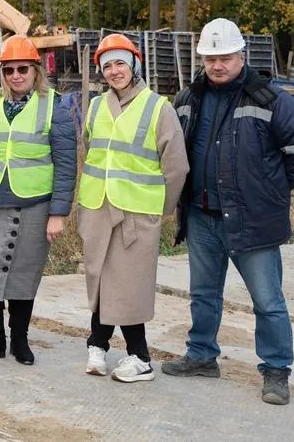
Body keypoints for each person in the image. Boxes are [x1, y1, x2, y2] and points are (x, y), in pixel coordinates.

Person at [161, 18, 294, 406]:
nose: (218, 65)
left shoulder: (271, 99)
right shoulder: (187, 99)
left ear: (242, 56)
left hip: (251, 219)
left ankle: (276, 370)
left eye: (226, 57)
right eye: (211, 58)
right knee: (203, 294)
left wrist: (269, 190)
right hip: (201, 217)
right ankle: (201, 355)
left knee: (267, 299)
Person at [0, 35, 77, 365]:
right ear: (2, 73)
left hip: (34, 201)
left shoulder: (55, 106)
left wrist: (58, 213)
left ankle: (19, 339)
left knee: (24, 271)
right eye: (9, 70)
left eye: (22, 69)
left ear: (36, 71)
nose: (16, 76)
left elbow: (66, 164)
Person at [79, 33, 188, 383]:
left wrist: (161, 208)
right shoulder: (96, 106)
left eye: (120, 63)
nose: (114, 71)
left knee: (128, 284)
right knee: (99, 277)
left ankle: (140, 357)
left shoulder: (159, 107)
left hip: (137, 212)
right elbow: (89, 149)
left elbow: (176, 166)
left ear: (135, 65)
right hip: (98, 205)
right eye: (107, 65)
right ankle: (97, 343)